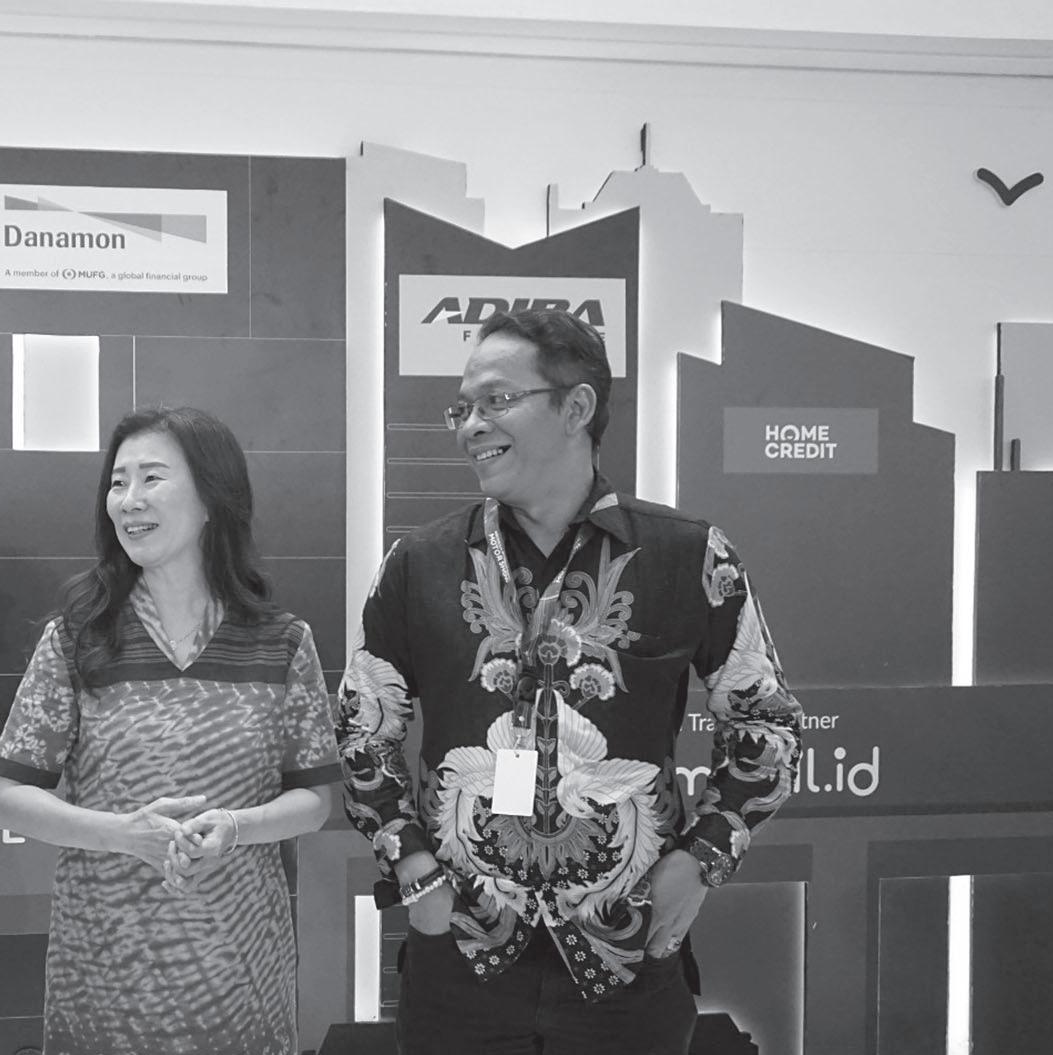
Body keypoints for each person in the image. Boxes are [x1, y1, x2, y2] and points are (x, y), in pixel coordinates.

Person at [338, 309, 804, 1054]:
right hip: (460, 954)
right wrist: (415, 868)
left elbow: (766, 723)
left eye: (496, 400)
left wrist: (700, 861)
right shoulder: (418, 564)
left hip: (629, 955)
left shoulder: (689, 556)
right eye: (463, 407)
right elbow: (362, 730)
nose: (470, 426)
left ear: (576, 407)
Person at [0, 405, 340, 1055]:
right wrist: (125, 833)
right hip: (104, 980)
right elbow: (9, 797)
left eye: (152, 478)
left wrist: (236, 825)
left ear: (212, 498)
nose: (129, 500)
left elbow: (315, 799)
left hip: (241, 978)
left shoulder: (282, 642)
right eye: (118, 482)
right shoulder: (77, 638)